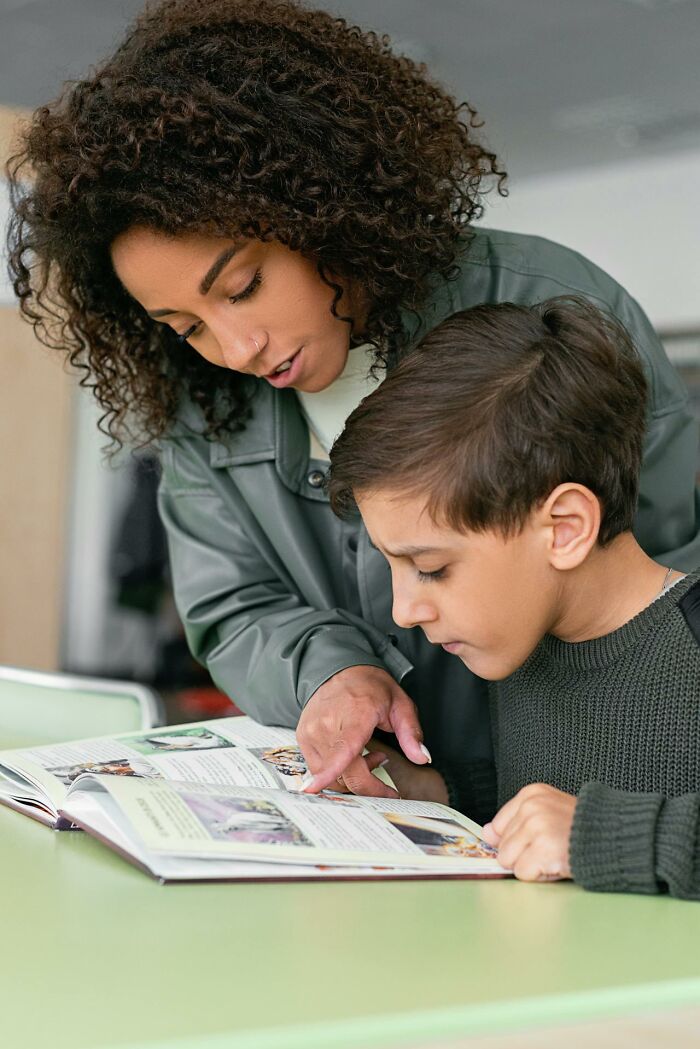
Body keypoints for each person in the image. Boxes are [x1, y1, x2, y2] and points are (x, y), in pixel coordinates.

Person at [7, 0, 700, 799]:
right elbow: (233, 603)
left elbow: (652, 589)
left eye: (244, 286)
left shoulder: (556, 309)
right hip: (403, 821)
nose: (236, 350)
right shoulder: (204, 400)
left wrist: (588, 814)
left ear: (319, 212)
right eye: (182, 324)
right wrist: (335, 676)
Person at [326, 296, 700, 897]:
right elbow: (537, 798)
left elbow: (583, 825)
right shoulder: (523, 645)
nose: (404, 610)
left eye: (431, 567)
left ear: (564, 529)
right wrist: (433, 793)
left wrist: (604, 836)